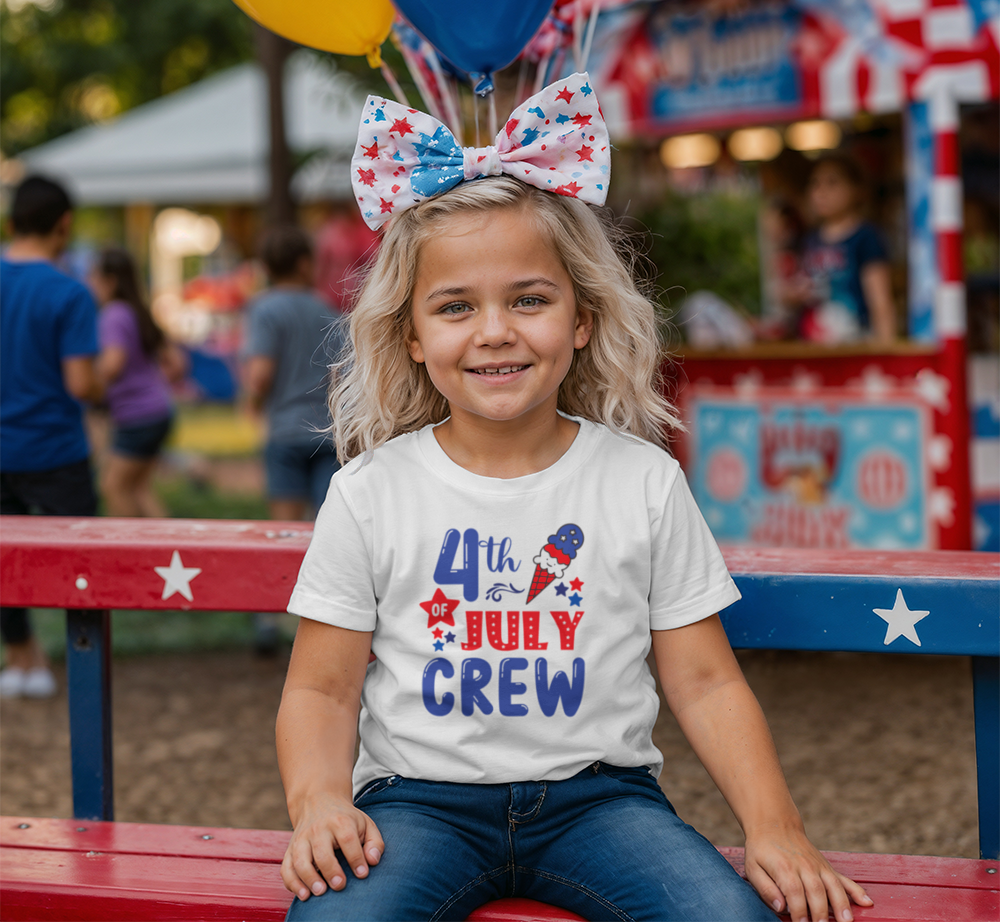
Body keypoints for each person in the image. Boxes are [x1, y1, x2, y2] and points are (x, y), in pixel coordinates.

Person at [275, 76, 874, 922]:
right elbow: (321, 692)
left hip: (603, 805)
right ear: (411, 335)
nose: (495, 331)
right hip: (416, 806)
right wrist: (318, 805)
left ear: (583, 317)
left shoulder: (642, 481)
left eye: (530, 299)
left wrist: (776, 828)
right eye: (455, 307)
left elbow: (704, 683)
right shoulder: (372, 492)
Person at [0, 175, 102, 699]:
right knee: (79, 560)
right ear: (64, 224)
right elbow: (80, 383)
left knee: (3, 557)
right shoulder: (69, 292)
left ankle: (21, 658)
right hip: (55, 449)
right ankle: (83, 670)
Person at [243, 226, 344, 654]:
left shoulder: (264, 309)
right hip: (326, 430)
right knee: (328, 532)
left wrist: (252, 403)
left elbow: (260, 372)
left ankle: (270, 619)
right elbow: (342, 371)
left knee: (283, 531)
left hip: (284, 431)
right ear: (304, 263)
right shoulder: (326, 307)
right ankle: (325, 616)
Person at [90, 246, 182, 517]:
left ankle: (130, 551)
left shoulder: (113, 314)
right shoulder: (137, 310)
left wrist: (87, 378)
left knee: (113, 486)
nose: (90, 283)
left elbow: (113, 363)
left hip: (137, 417)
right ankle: (168, 550)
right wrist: (151, 383)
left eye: (94, 276)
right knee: (139, 488)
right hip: (158, 410)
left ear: (110, 281)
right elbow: (177, 363)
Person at [786, 156, 895, 345]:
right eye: (815, 184)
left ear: (856, 190)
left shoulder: (865, 237)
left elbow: (880, 302)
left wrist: (885, 350)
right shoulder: (810, 240)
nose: (822, 192)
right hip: (813, 343)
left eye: (832, 183)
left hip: (854, 342)